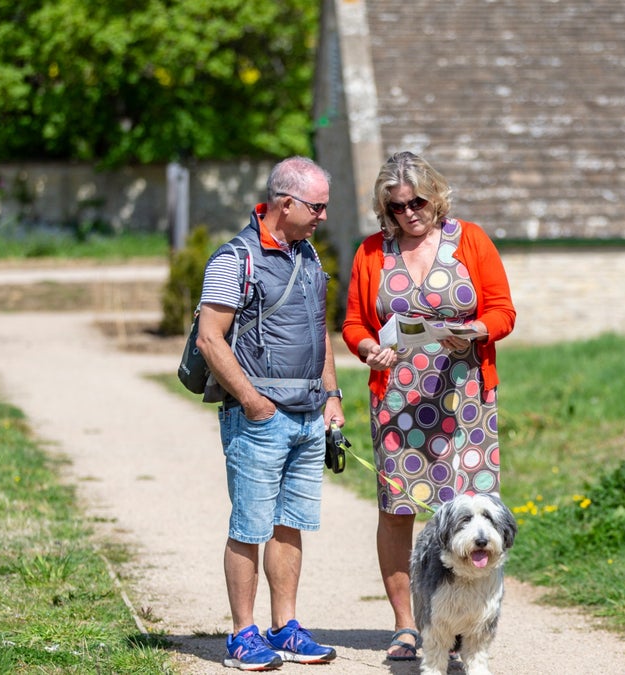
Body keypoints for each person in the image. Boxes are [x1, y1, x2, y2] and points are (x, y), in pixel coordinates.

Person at [342, 151, 516, 661]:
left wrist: (477, 330)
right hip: (397, 402)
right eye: (396, 207)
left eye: (417, 201)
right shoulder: (371, 252)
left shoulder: (472, 240)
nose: (409, 213)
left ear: (435, 196)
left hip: (464, 399)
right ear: (385, 210)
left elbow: (502, 309)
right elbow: (354, 322)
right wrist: (366, 348)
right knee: (399, 511)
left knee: (473, 511)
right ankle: (406, 626)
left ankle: (470, 629)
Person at [196, 156, 345, 671]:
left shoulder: (308, 257)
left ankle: (286, 628)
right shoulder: (234, 258)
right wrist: (254, 403)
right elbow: (209, 338)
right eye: (317, 207)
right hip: (259, 418)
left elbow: (318, 332)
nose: (323, 216)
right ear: (287, 204)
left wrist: (332, 398)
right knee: (250, 527)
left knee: (291, 524)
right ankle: (242, 635)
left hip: (308, 416)